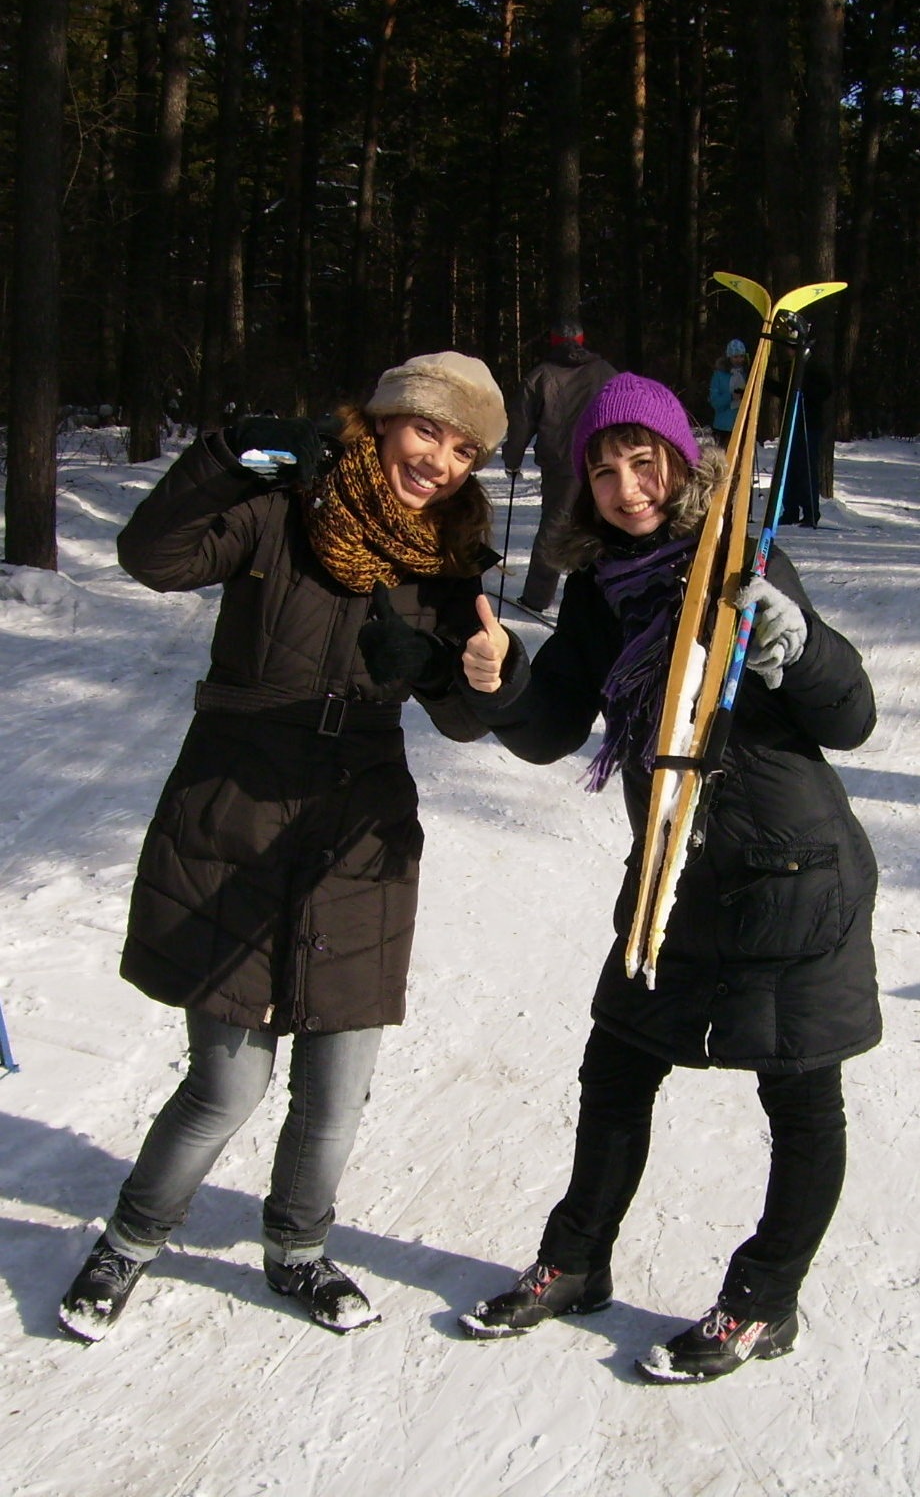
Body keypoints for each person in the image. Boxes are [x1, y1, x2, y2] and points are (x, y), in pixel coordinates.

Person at [58, 351, 507, 1343]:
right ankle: (129, 1240)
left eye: (463, 450)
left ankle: (298, 1251)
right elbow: (152, 558)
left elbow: (466, 718)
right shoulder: (282, 507)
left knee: (335, 1092)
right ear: (382, 420)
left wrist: (482, 675)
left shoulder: (450, 560)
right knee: (227, 1084)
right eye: (426, 430)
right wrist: (225, 458)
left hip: (358, 833)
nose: (438, 460)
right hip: (236, 811)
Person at [457, 372, 879, 1381]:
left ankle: (763, 1301)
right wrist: (502, 681)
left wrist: (798, 647)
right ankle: (575, 1261)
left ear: (681, 464)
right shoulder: (601, 590)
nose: (626, 488)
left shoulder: (742, 561)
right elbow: (553, 725)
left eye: (641, 462)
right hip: (673, 875)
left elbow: (850, 720)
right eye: (603, 472)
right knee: (616, 1069)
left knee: (799, 1100)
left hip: (792, 873)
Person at [502, 322, 616, 612]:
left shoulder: (541, 374)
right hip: (601, 461)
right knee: (600, 525)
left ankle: (537, 598)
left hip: (561, 463)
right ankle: (600, 599)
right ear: (582, 340)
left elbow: (520, 422)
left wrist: (512, 460)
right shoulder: (605, 371)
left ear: (553, 341)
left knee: (555, 525)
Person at [777, 358, 833, 527]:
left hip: (809, 425)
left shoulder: (814, 367)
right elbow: (785, 392)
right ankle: (790, 510)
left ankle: (811, 512)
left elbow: (825, 391)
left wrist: (806, 390)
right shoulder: (790, 367)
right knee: (790, 468)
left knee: (806, 469)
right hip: (792, 424)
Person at [709, 338, 749, 447]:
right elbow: (714, 401)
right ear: (729, 357)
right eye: (735, 357)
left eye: (741, 356)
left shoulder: (747, 374)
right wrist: (731, 397)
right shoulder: (719, 375)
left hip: (742, 425)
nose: (739, 360)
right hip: (723, 426)